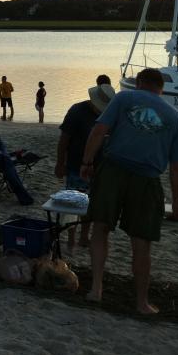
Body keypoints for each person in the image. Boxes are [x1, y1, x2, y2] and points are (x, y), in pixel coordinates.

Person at [81, 68, 178, 314]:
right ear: (160, 88)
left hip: (113, 170)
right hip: (148, 180)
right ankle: (142, 303)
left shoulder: (124, 98)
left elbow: (99, 131)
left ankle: (96, 289)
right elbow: (177, 167)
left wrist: (87, 162)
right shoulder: (177, 117)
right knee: (141, 243)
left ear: (138, 83)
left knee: (100, 228)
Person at [54, 75, 114, 249]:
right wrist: (60, 163)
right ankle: (72, 237)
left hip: (100, 168)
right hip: (75, 165)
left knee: (91, 205)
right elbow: (64, 139)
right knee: (73, 203)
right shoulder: (77, 111)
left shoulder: (110, 114)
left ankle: (84, 236)